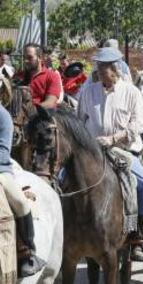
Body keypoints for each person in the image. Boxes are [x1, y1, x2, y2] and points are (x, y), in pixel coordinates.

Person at [77, 47, 143, 262]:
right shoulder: (88, 91)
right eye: (99, 66)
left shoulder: (132, 92)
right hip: (92, 151)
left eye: (104, 67)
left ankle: (137, 235)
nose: (100, 71)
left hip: (122, 151)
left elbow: (137, 125)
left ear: (116, 68)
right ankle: (70, 231)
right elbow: (80, 121)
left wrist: (113, 139)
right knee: (65, 181)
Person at [0, 104, 46, 277]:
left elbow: (3, 151)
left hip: (1, 169)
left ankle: (27, 252)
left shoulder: (3, 116)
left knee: (20, 203)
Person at [20, 44, 62, 109]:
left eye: (30, 57)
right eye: (24, 57)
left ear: (40, 57)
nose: (26, 61)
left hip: (39, 116)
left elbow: (50, 102)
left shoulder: (52, 76)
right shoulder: (19, 75)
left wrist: (30, 111)